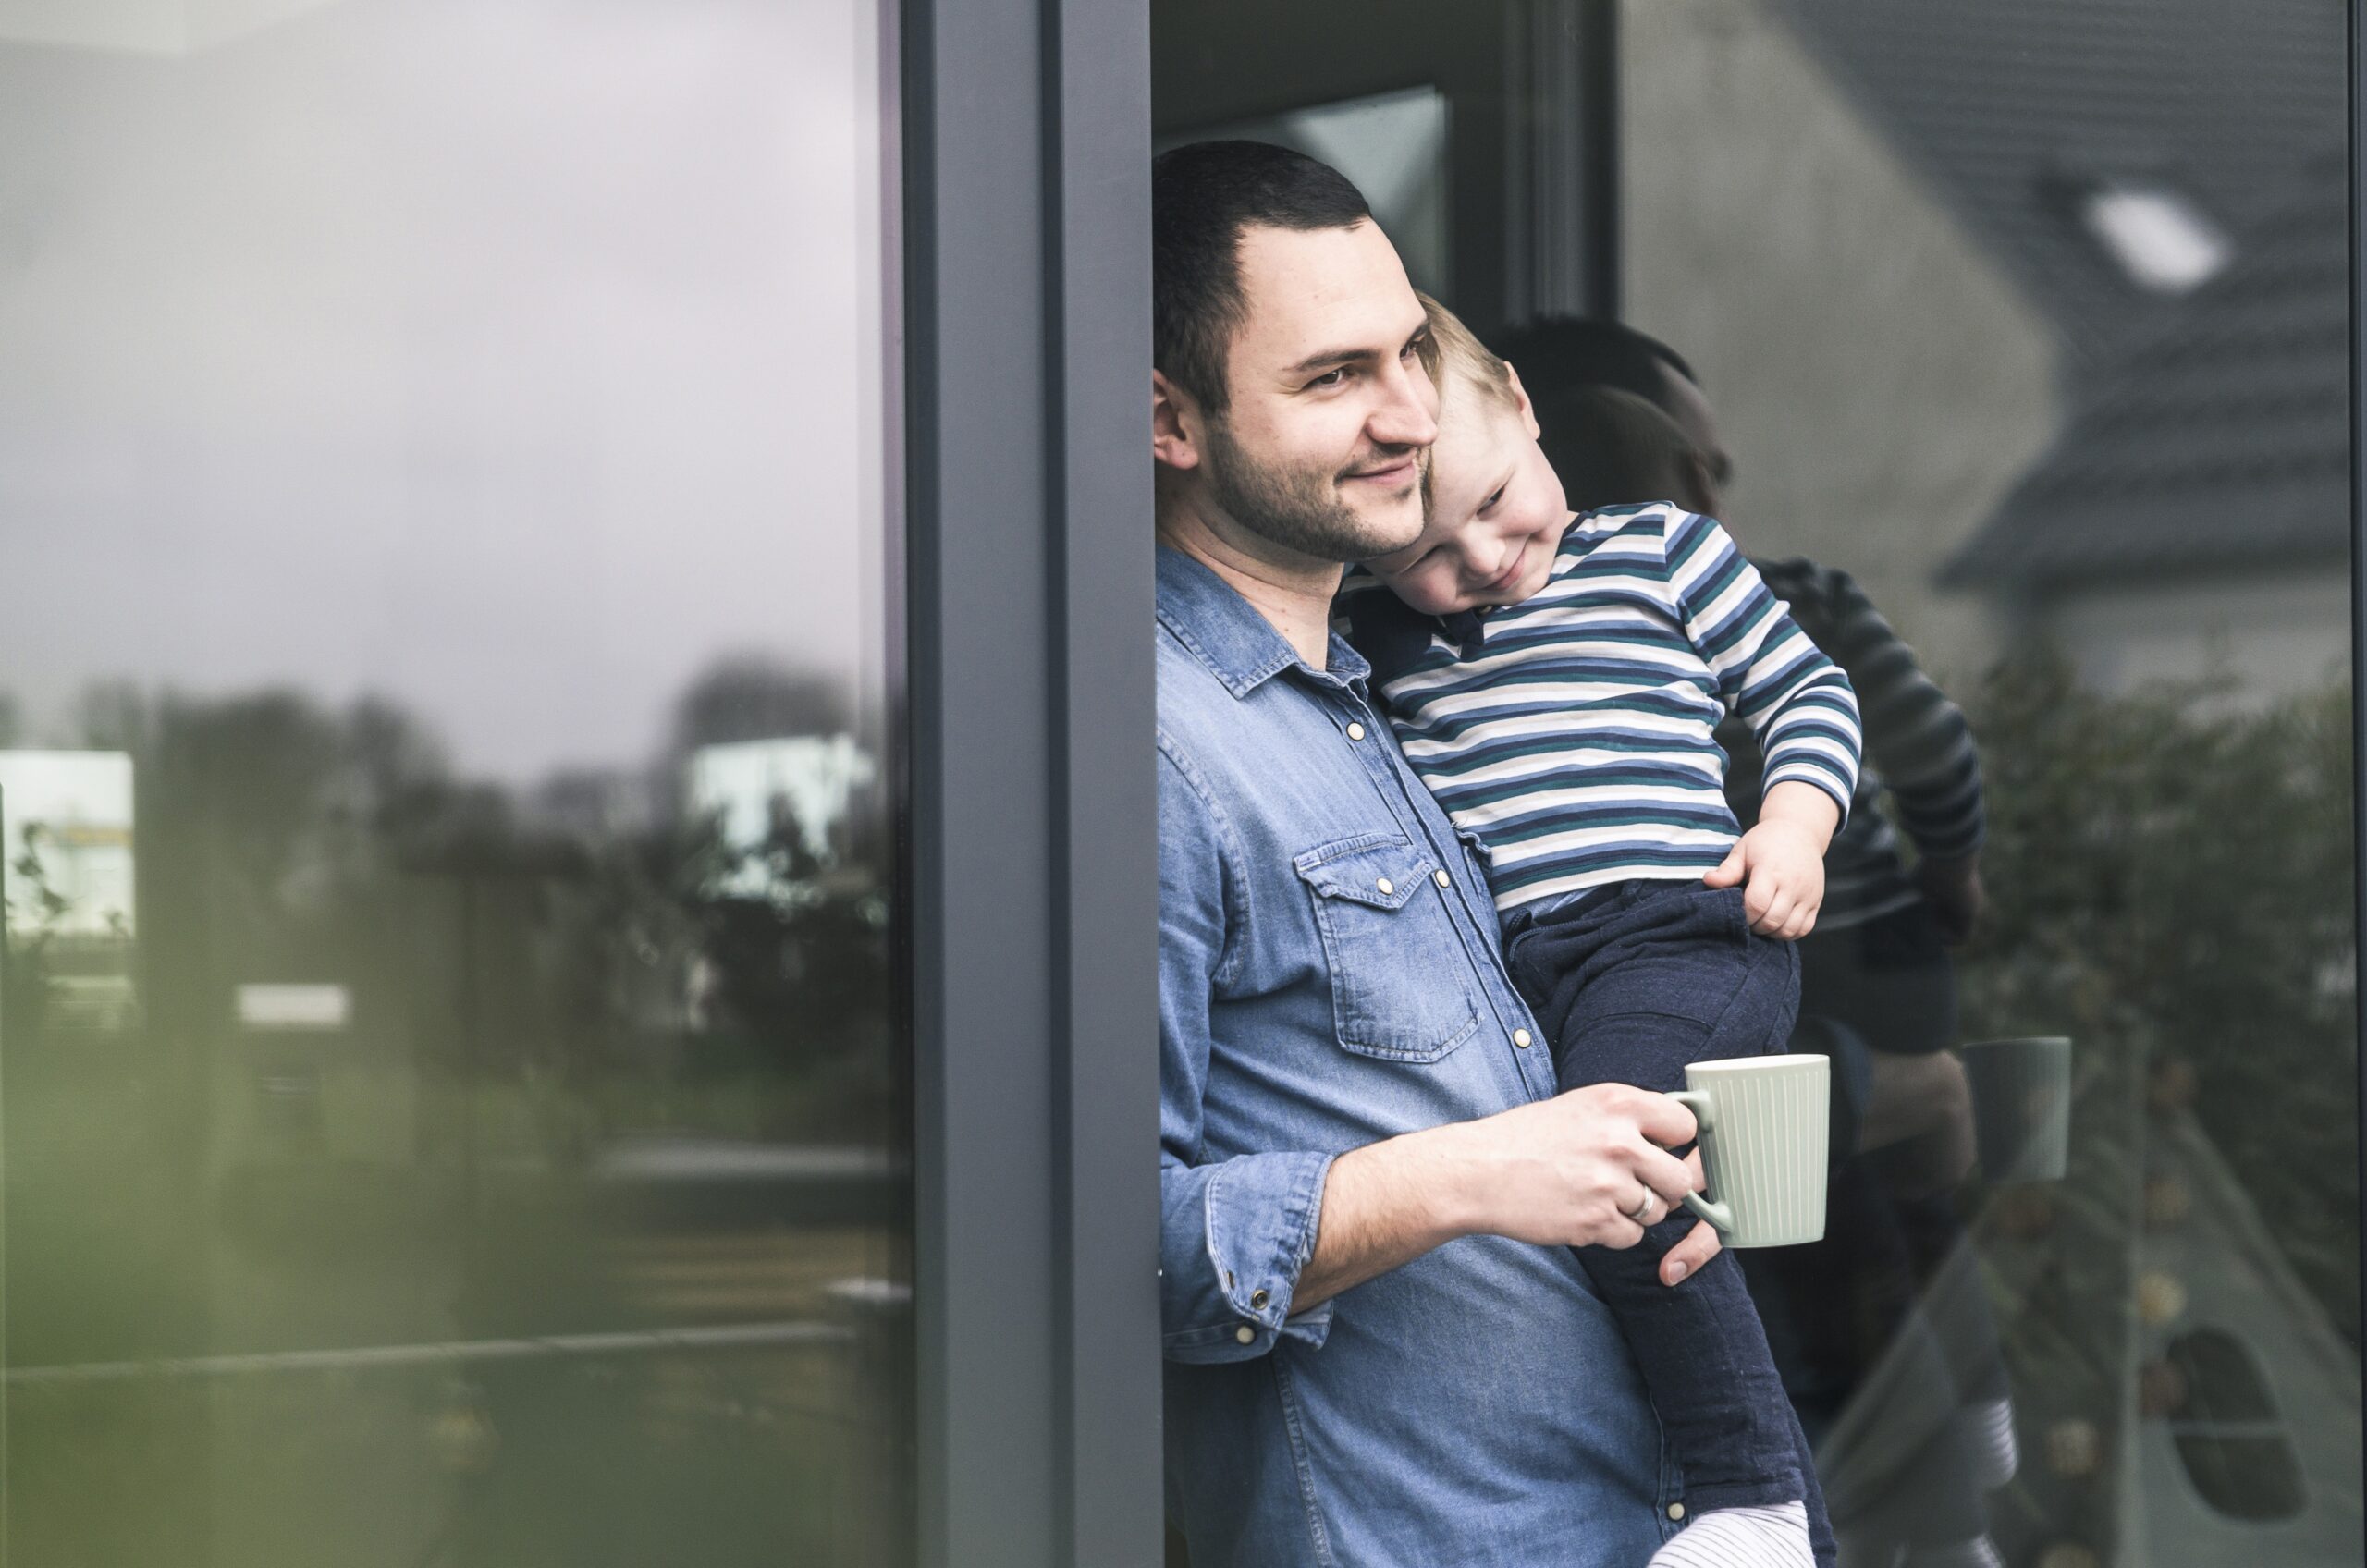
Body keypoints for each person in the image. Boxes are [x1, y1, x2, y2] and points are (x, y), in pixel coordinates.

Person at [1153, 140, 1727, 1568]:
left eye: (1413, 349)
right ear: (1167, 421)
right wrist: (1470, 1175)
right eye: (1334, 377)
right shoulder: (1151, 752)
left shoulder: (1392, 694)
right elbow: (1101, 1246)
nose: (1410, 413)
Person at [1337, 298, 1860, 1568]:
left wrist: (1793, 829)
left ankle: (1758, 1498)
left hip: (1682, 934)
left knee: (1616, 1159)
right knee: (1603, 1209)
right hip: (1529, 976)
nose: (1488, 558)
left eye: (1503, 500)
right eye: (1434, 547)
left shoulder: (1661, 555)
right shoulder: (1386, 646)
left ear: (1523, 407)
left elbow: (1807, 691)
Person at [1501, 320, 2017, 1568]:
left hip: (1748, 1002)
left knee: (1811, 1236)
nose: (1717, 495)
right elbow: (1933, 749)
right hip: (1839, 984)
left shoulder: (1480, 668)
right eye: (1705, 467)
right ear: (1672, 488)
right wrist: (1953, 868)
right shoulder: (1783, 596)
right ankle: (1951, 1440)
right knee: (1864, 1227)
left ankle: (1904, 1463)